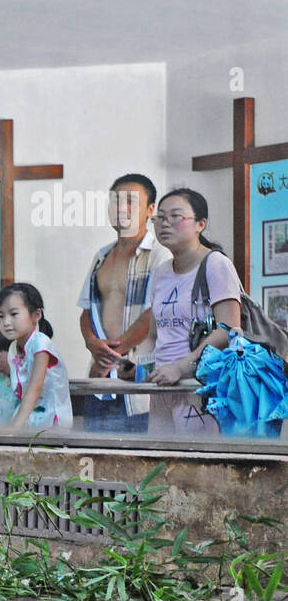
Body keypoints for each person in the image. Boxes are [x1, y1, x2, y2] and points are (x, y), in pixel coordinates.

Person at [144, 188, 242, 437]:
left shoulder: (216, 264)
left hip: (202, 388)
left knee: (197, 467)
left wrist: (180, 367)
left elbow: (228, 329)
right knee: (160, 467)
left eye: (176, 216)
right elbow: (154, 334)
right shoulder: (161, 273)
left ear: (201, 224)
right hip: (163, 388)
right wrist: (136, 366)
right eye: (160, 217)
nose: (165, 223)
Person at [77, 173, 170, 433]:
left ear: (150, 210)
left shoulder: (160, 255)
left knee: (137, 463)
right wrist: (92, 344)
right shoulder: (101, 255)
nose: (121, 208)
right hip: (99, 378)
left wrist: (111, 356)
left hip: (137, 380)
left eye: (131, 201)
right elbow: (87, 310)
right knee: (93, 459)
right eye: (116, 201)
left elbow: (154, 314)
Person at [0, 282, 72, 431]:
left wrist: (14, 429)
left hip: (51, 422)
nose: (6, 322)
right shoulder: (12, 349)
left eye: (14, 314)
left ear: (36, 315)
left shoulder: (40, 343)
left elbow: (35, 388)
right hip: (29, 418)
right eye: (0, 316)